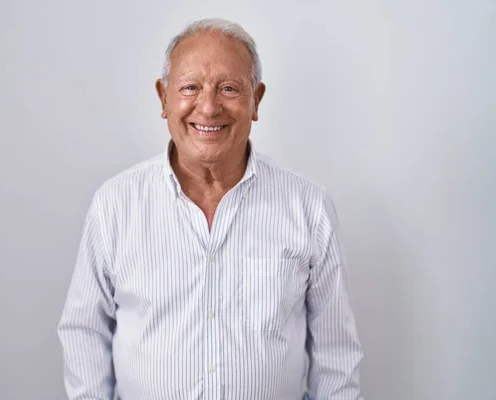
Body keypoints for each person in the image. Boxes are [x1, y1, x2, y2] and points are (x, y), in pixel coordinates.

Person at [57, 18, 363, 400]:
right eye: (190, 87)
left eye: (229, 89)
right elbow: (85, 332)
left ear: (256, 100)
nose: (208, 106)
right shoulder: (114, 205)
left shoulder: (309, 208)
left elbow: (336, 354)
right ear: (163, 98)